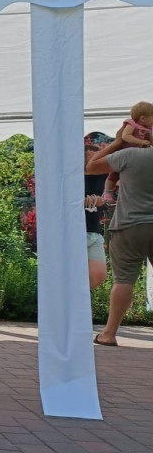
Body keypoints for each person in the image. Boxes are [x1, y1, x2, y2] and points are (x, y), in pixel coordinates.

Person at [86, 135, 153, 345]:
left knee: (124, 280)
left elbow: (91, 165)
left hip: (129, 226)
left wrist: (116, 143)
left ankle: (109, 334)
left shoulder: (129, 155)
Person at [103, 101, 153, 204]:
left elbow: (150, 139)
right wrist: (140, 141)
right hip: (124, 153)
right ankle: (107, 191)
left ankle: (129, 193)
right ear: (143, 118)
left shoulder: (148, 128)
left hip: (136, 156)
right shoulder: (132, 124)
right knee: (114, 174)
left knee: (132, 175)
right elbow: (125, 136)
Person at [84, 135, 110, 292]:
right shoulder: (72, 178)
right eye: (91, 158)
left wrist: (102, 202)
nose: (96, 162)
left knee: (99, 275)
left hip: (94, 232)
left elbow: (110, 199)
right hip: (74, 233)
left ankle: (78, 300)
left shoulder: (104, 176)